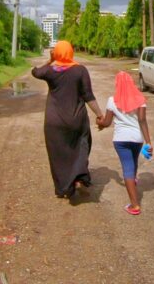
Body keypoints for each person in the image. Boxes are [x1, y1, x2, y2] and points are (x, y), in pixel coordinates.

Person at [32, 41, 105, 199]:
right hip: (76, 119)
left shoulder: (50, 71)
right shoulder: (80, 70)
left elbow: (35, 72)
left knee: (58, 153)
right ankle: (78, 177)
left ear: (56, 52)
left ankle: (64, 187)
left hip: (54, 121)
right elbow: (88, 96)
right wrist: (99, 115)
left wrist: (51, 60)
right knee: (82, 144)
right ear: (71, 52)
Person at [97, 71, 153, 215]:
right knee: (133, 163)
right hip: (137, 138)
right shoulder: (140, 99)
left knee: (127, 168)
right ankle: (132, 182)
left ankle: (134, 205)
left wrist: (100, 123)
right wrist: (148, 142)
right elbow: (142, 120)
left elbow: (107, 122)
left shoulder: (112, 100)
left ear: (117, 84)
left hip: (120, 139)